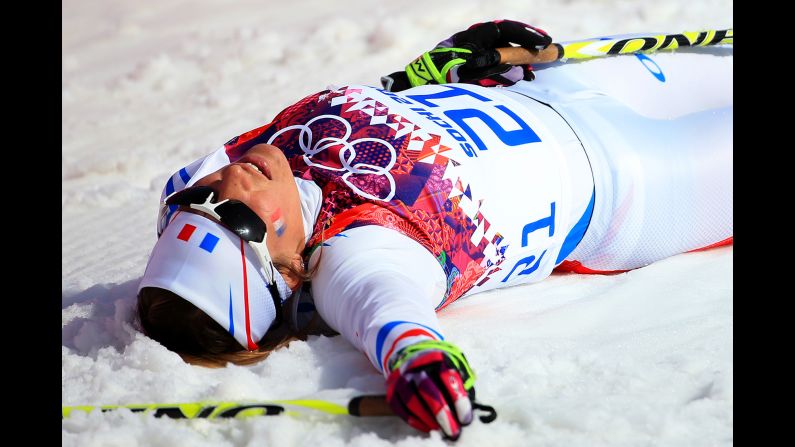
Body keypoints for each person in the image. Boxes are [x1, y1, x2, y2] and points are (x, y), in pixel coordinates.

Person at [135, 20, 732, 440]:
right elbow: (388, 314)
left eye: (199, 198)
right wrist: (420, 363)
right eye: (236, 218)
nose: (227, 187)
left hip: (561, 89)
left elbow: (385, 101)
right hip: (639, 179)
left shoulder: (266, 159)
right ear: (287, 275)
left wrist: (435, 69)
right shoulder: (356, 252)